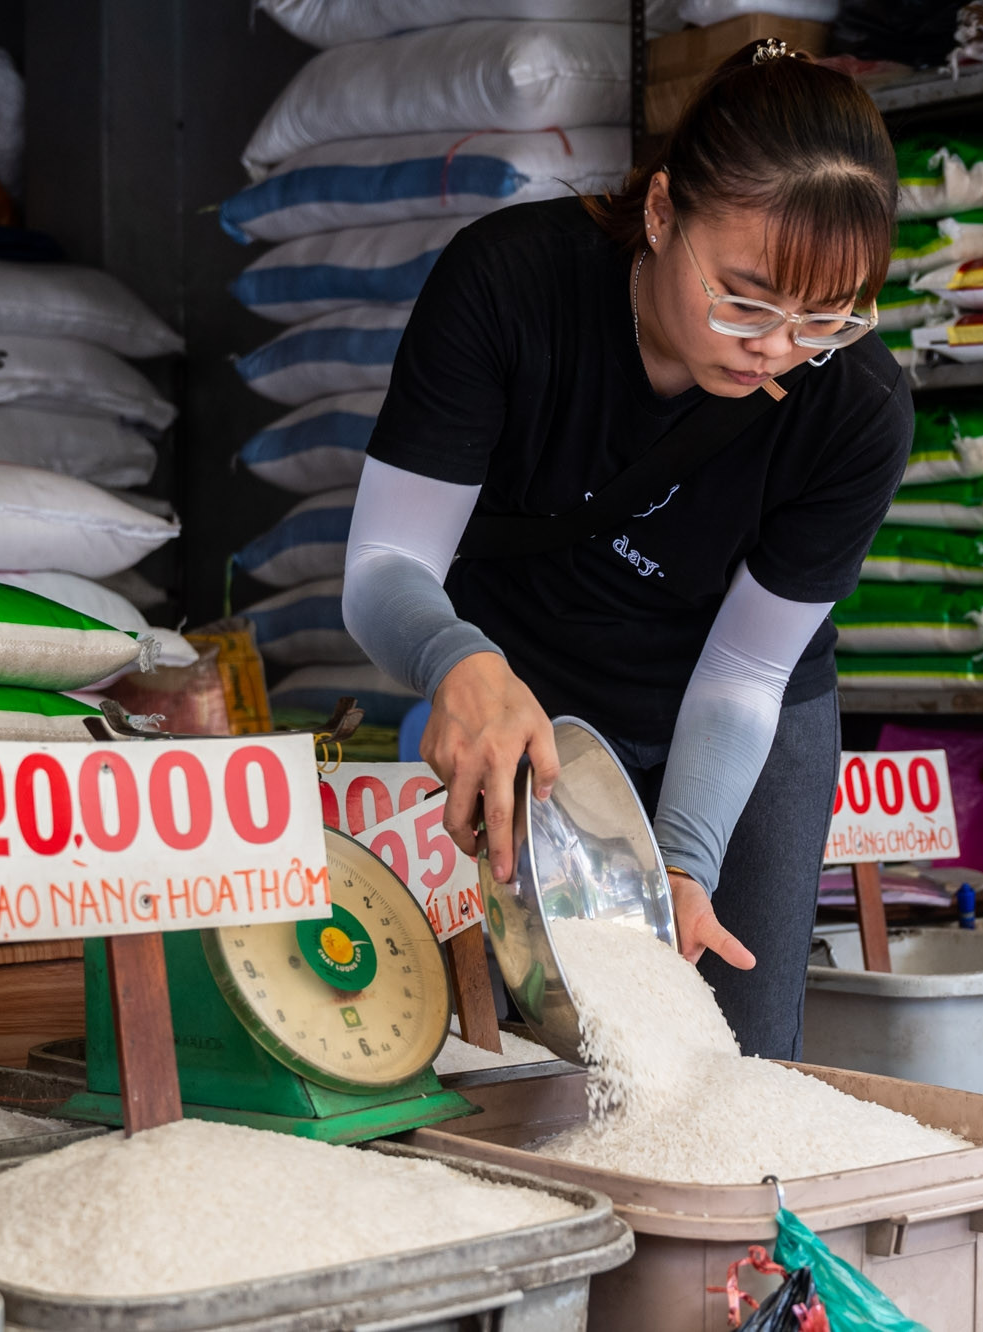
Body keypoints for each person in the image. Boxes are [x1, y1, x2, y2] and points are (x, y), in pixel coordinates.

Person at [341, 39, 909, 1058]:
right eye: (745, 298)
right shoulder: (510, 288)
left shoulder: (857, 407)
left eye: (823, 318)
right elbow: (385, 568)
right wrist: (456, 662)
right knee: (518, 1055)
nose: (777, 348)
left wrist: (685, 865)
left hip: (747, 723)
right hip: (531, 699)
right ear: (659, 213)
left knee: (735, 1065)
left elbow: (745, 671)